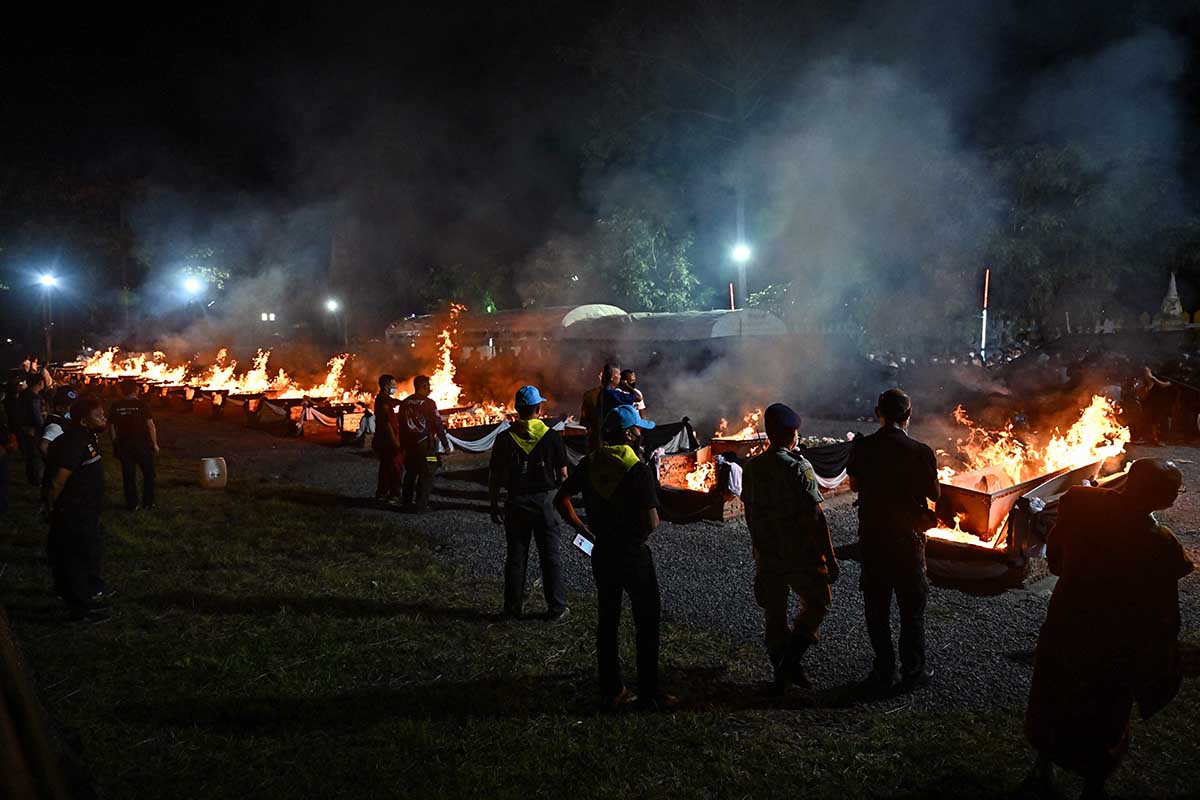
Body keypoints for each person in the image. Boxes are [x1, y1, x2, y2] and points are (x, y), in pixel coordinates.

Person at [1024, 458, 1194, 799]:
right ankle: (1093, 785)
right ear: (1161, 498)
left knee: (1053, 690)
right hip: (1113, 639)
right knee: (1103, 710)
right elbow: (1162, 607)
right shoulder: (1160, 543)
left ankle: (1042, 766)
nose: (1176, 498)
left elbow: (1055, 559)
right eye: (1174, 492)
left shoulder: (1081, 503)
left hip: (1067, 621)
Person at [555, 405, 675, 711]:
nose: (640, 433)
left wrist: (583, 529)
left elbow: (561, 499)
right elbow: (652, 522)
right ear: (627, 433)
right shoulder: (638, 470)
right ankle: (650, 690)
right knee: (646, 620)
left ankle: (613, 688)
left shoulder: (590, 463)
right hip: (633, 554)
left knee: (608, 620)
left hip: (603, 551)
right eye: (636, 428)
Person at [846, 388, 939, 693]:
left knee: (877, 609)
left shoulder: (862, 447)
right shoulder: (920, 451)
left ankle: (884, 670)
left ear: (878, 413)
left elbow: (855, 484)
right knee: (912, 609)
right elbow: (934, 495)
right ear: (908, 416)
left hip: (873, 538)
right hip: (906, 540)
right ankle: (913, 671)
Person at [742, 403, 839, 693]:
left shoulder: (753, 467)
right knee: (819, 602)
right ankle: (790, 663)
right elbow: (816, 516)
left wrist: (758, 545)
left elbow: (749, 511)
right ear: (791, 435)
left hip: (767, 551)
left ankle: (781, 671)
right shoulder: (800, 467)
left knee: (775, 613)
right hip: (798, 553)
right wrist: (830, 557)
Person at [488, 385, 570, 621]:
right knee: (550, 556)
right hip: (545, 502)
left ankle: (512, 608)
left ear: (517, 409)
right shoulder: (552, 436)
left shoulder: (504, 438)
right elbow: (563, 475)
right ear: (538, 408)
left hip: (516, 501)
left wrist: (494, 504)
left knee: (516, 556)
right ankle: (556, 607)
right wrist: (564, 505)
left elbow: (494, 476)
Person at [45, 395, 111, 622]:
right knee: (76, 558)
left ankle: (81, 597)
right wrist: (51, 508)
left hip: (86, 510)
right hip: (74, 511)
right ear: (84, 421)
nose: (104, 417)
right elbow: (58, 480)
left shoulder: (86, 436)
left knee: (83, 554)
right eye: (98, 415)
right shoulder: (74, 441)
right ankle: (79, 611)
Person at [399, 374, 451, 513]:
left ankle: (406, 502)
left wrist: (402, 445)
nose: (430, 389)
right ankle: (421, 506)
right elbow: (438, 424)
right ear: (423, 386)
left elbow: (401, 425)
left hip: (410, 446)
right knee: (428, 471)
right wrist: (445, 444)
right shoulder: (429, 403)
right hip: (426, 447)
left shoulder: (405, 403)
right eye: (428, 386)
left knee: (410, 472)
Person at [108, 379, 159, 511]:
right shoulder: (142, 405)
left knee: (128, 475)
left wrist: (115, 442)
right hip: (143, 445)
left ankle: (132, 504)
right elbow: (151, 426)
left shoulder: (116, 405)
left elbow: (112, 426)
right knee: (149, 474)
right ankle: (148, 503)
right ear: (136, 390)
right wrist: (154, 444)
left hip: (124, 445)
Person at [39, 386, 77, 514]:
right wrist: (54, 463)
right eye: (69, 407)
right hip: (56, 468)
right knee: (54, 491)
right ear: (59, 408)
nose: (72, 410)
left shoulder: (62, 420)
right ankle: (49, 511)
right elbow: (44, 445)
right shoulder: (55, 425)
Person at [372, 374, 404, 504]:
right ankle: (394, 495)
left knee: (385, 467)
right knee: (395, 468)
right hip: (388, 441)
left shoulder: (383, 399)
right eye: (393, 385)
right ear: (386, 386)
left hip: (383, 440)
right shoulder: (383, 401)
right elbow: (387, 423)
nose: (395, 387)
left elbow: (396, 402)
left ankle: (382, 494)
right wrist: (395, 442)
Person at [16, 371, 47, 486]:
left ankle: (31, 478)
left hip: (24, 428)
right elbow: (36, 416)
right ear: (40, 383)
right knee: (35, 455)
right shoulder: (34, 397)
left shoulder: (24, 394)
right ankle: (36, 481)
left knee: (30, 455)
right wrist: (43, 424)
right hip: (33, 430)